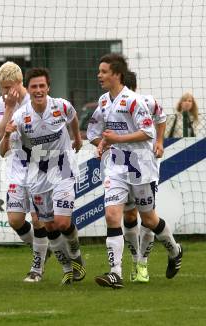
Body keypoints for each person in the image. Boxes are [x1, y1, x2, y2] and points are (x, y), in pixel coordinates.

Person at [87, 53, 182, 289]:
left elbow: (148, 132)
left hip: (141, 167)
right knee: (112, 215)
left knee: (149, 219)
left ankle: (175, 250)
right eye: (99, 71)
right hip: (116, 168)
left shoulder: (134, 100)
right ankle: (115, 273)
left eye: (104, 71)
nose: (99, 75)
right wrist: (102, 143)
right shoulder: (103, 102)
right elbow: (95, 133)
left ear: (117, 74)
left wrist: (118, 138)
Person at [0, 67, 86, 285]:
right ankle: (68, 269)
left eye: (42, 86)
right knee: (48, 226)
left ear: (48, 87)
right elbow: (3, 151)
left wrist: (77, 138)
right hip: (37, 173)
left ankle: (75, 256)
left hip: (63, 166)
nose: (38, 90)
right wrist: (7, 134)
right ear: (28, 89)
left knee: (62, 222)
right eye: (34, 87)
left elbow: (73, 117)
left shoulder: (61, 105)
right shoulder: (21, 116)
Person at [0, 61, 49, 282]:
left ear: (19, 83)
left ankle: (37, 268)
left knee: (38, 219)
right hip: (17, 167)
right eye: (2, 88)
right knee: (15, 220)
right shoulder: (4, 101)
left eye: (9, 87)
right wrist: (8, 108)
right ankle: (43, 250)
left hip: (38, 166)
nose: (6, 92)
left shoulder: (34, 99)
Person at [121, 70, 167, 283]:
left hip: (147, 168)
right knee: (129, 217)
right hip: (122, 168)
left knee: (148, 217)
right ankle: (134, 259)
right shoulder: (110, 105)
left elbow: (162, 117)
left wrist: (159, 142)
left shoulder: (146, 102)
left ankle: (143, 264)